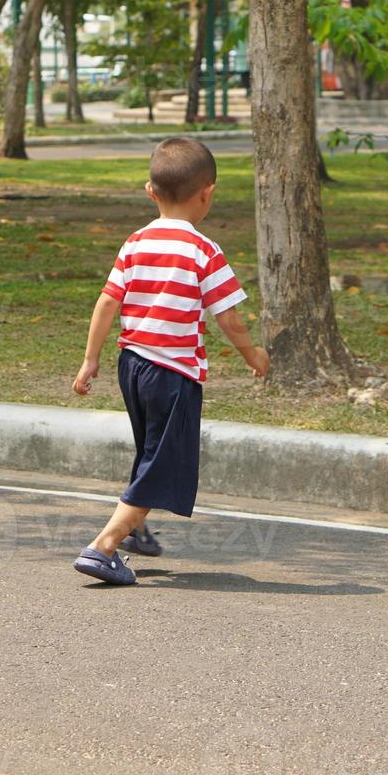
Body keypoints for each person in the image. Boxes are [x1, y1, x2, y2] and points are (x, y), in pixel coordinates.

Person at [70, 137, 269, 585]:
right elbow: (230, 318)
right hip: (173, 373)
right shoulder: (204, 251)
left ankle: (136, 531)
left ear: (150, 191)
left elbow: (106, 303)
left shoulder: (135, 242)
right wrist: (254, 354)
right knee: (164, 460)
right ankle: (103, 548)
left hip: (132, 367)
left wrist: (90, 360)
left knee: (149, 449)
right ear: (208, 193)